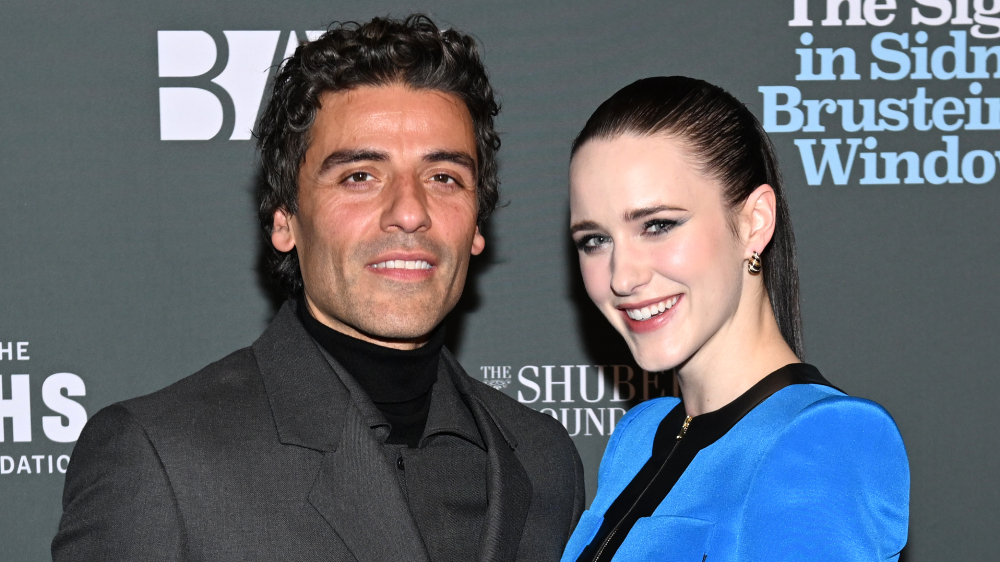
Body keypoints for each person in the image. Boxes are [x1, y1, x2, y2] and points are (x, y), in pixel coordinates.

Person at [52, 15, 584, 562]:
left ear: (476, 225)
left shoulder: (544, 461)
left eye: (443, 177)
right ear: (285, 218)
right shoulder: (160, 459)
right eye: (360, 176)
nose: (409, 212)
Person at [560, 76, 909, 561]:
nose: (622, 276)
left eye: (657, 226)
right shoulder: (637, 437)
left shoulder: (823, 439)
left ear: (754, 222)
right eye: (594, 240)